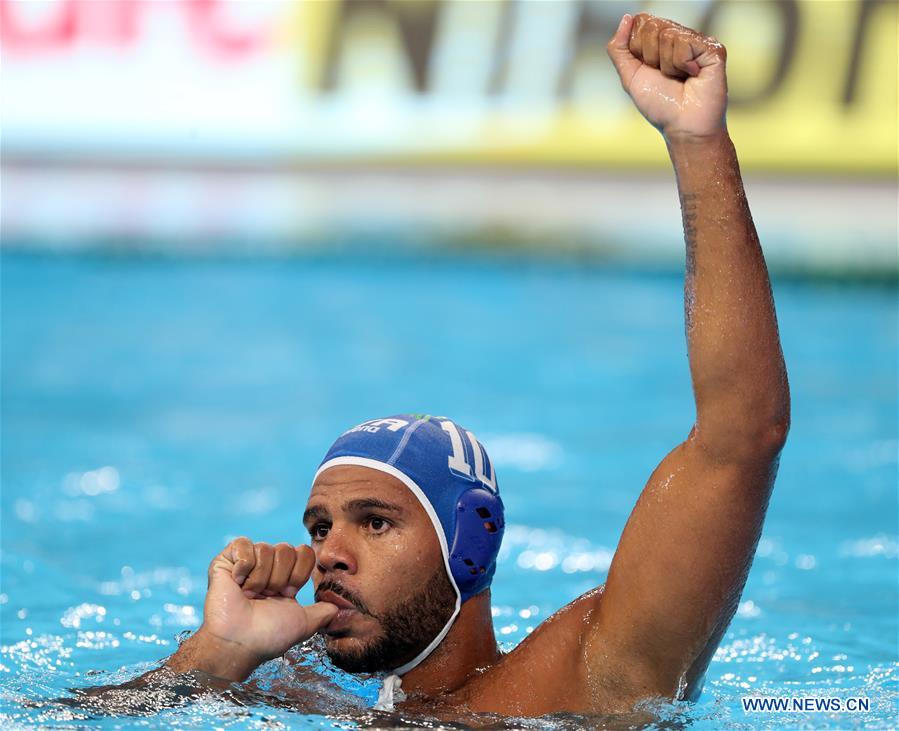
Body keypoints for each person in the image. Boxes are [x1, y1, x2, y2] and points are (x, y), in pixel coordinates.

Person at [84, 12, 790, 720]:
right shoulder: (300, 693)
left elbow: (740, 434)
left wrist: (696, 142)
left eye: (375, 521)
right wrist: (213, 654)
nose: (329, 553)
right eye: (320, 525)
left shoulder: (581, 680)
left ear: (469, 541)